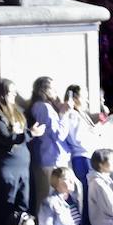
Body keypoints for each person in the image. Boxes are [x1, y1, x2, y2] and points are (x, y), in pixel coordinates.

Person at [0, 77, 43, 225]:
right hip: (4, 168)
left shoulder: (17, 111)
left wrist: (25, 132)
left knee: (24, 204)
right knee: (4, 205)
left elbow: (19, 133)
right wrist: (29, 134)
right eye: (10, 93)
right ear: (1, 94)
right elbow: (8, 137)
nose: (14, 96)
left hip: (22, 168)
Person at [28, 76, 73, 211]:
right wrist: (64, 114)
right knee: (49, 199)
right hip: (51, 159)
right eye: (53, 88)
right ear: (44, 90)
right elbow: (58, 134)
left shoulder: (44, 106)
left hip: (51, 158)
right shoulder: (43, 107)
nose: (56, 91)